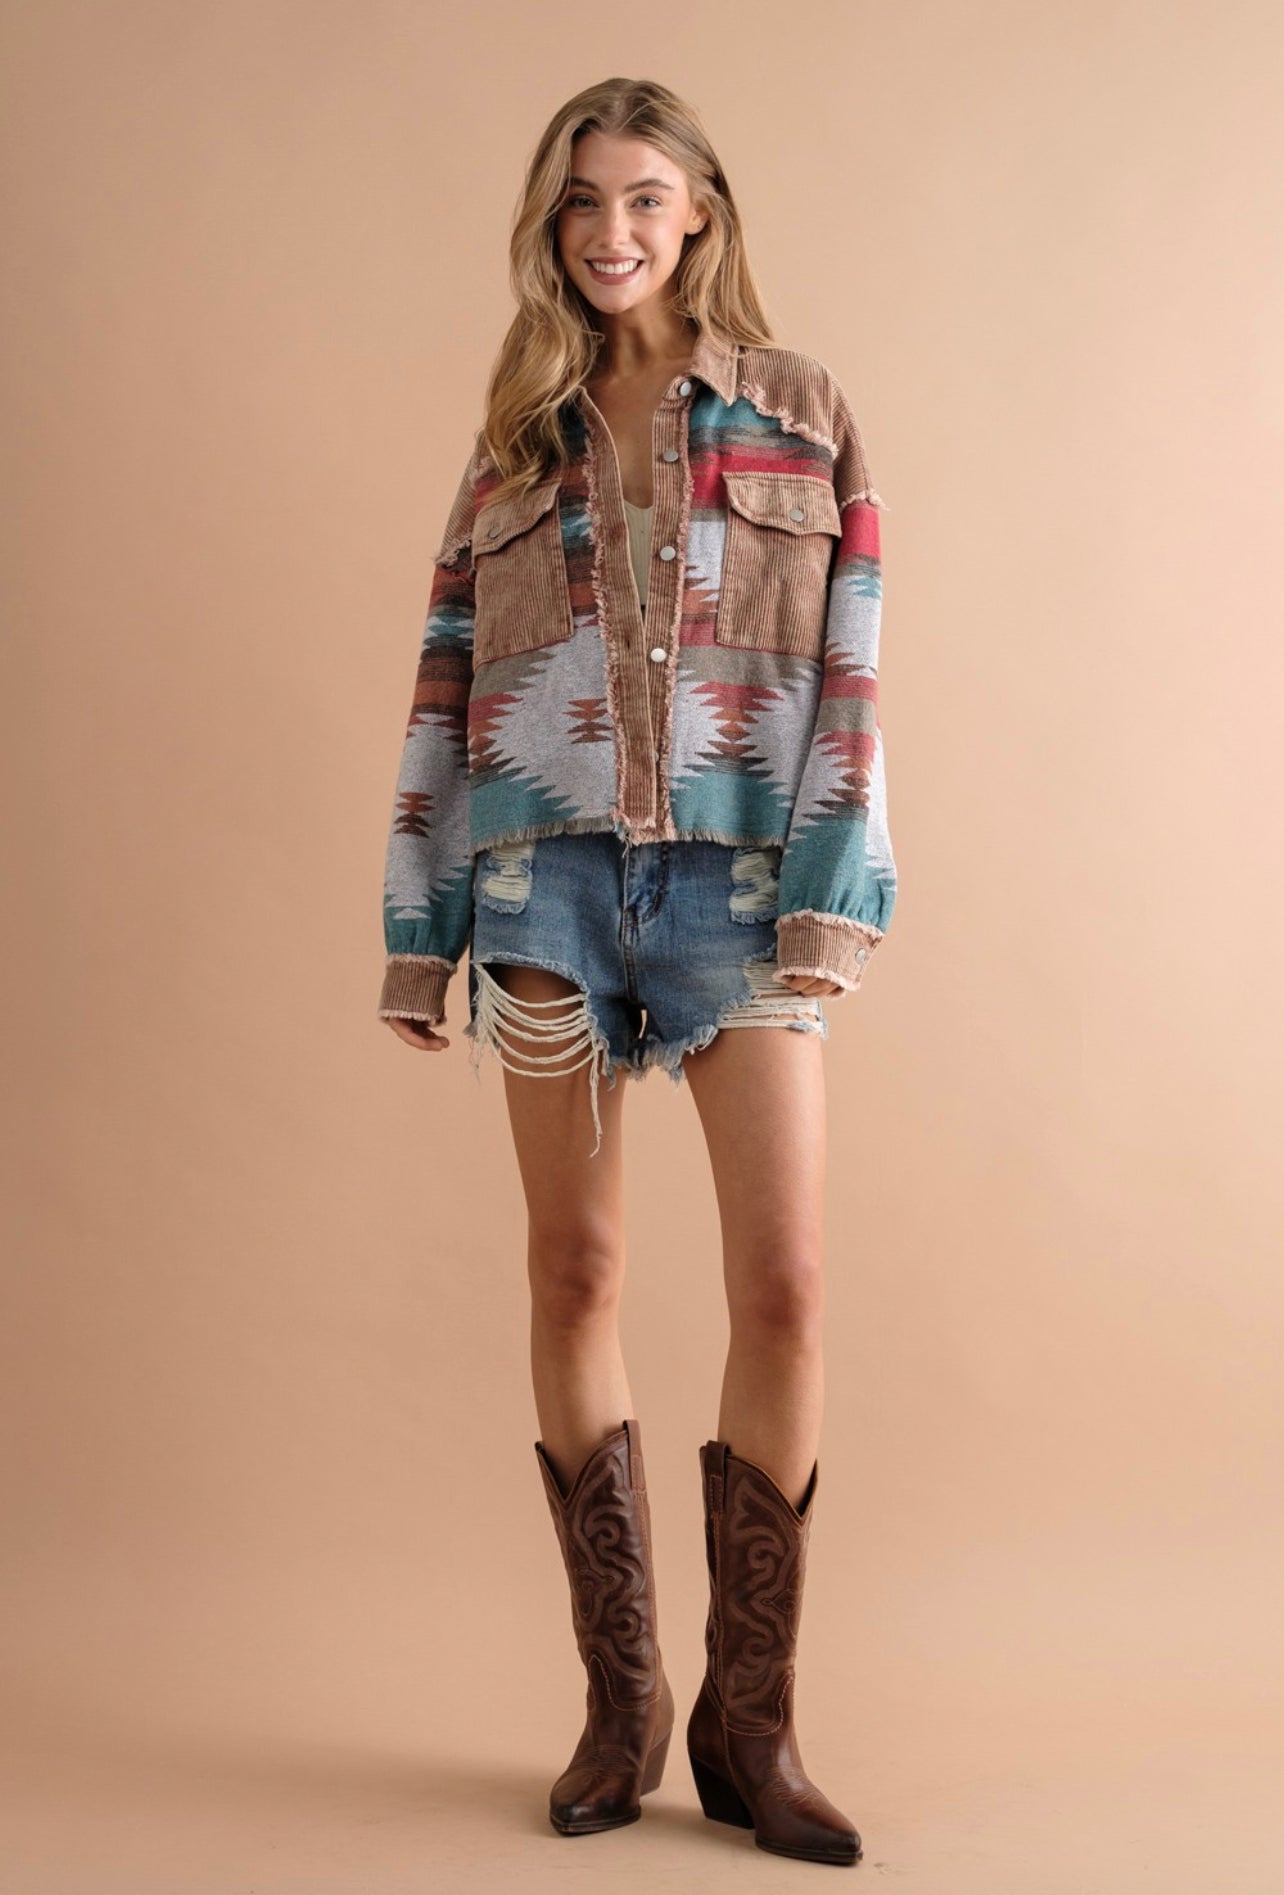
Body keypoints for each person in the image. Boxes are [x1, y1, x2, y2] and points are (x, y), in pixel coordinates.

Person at [377, 76, 895, 1868]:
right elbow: (447, 682)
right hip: (544, 891)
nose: (614, 231)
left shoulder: (801, 411)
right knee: (576, 1268)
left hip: (741, 892)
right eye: (584, 202)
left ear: (701, 214)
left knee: (788, 1288)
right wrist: (420, 928)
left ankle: (758, 1731)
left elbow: (853, 672)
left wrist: (829, 892)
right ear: (554, 224)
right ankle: (623, 1706)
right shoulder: (511, 446)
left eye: (646, 199)